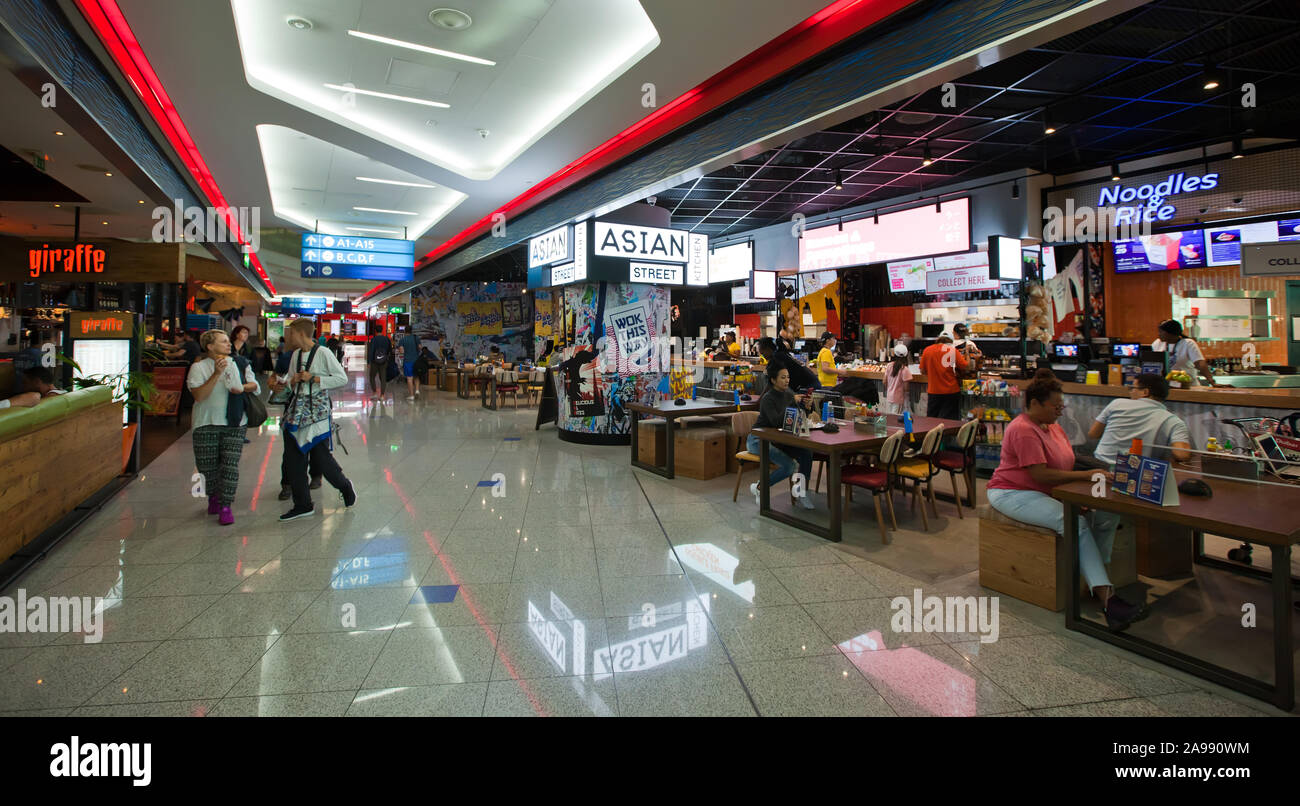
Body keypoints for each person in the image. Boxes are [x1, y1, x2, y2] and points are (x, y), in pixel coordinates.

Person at [986, 370, 1144, 630]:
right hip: (1012, 493)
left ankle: (1092, 580)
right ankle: (1108, 599)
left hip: (1048, 491)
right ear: (1034, 403)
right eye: (1055, 406)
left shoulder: (1053, 426)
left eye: (1062, 405)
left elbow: (1065, 462)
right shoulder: (1024, 430)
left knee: (1106, 514)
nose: (1060, 411)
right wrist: (1086, 476)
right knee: (1073, 523)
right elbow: (1039, 474)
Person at [271, 318, 356, 521]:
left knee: (321, 459)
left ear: (300, 333)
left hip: (316, 413)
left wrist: (315, 378)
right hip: (295, 412)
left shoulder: (323, 353)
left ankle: (344, 485)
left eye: (291, 333)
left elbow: (341, 378)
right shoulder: (295, 355)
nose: (288, 336)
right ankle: (302, 504)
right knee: (294, 460)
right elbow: (292, 380)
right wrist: (291, 381)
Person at [186, 329, 259, 526]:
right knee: (207, 467)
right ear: (209, 346)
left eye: (228, 341)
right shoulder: (198, 368)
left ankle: (226, 505)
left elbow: (255, 385)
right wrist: (217, 374)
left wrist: (242, 387)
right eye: (223, 341)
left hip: (234, 422)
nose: (228, 344)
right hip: (205, 423)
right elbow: (200, 396)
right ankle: (213, 496)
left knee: (230, 466)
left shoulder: (239, 363)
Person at [747, 365, 816, 511]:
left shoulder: (789, 394)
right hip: (758, 439)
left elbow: (794, 417)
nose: (787, 381)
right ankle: (760, 486)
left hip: (780, 438)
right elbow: (775, 422)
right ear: (773, 380)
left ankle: (801, 491)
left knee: (806, 452)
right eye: (783, 378)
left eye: (788, 377)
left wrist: (807, 406)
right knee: (789, 466)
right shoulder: (768, 398)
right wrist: (792, 402)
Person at [1088, 373, 1192, 465]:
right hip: (1139, 473)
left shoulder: (1117, 404)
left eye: (1132, 388)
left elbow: (1093, 434)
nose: (1130, 392)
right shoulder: (1173, 421)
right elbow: (1181, 454)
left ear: (1145, 392)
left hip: (1100, 466)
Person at [1155, 319, 1219, 387]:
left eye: (1161, 332)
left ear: (1170, 333)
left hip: (1188, 386)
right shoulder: (1157, 343)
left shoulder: (1188, 343)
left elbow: (1200, 363)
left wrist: (1211, 381)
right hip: (1167, 386)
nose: (1159, 334)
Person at [919, 335, 968, 420]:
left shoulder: (927, 350)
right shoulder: (952, 350)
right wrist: (967, 354)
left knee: (932, 420)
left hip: (933, 391)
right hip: (951, 390)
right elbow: (965, 367)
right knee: (950, 420)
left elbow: (922, 371)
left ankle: (934, 433)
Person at [883, 343, 913, 415]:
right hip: (898, 398)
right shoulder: (904, 369)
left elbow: (884, 381)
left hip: (889, 396)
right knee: (895, 418)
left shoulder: (889, 365)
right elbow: (906, 388)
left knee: (890, 417)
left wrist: (890, 388)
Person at [366, 331, 393, 402]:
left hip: (375, 361)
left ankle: (374, 393)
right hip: (384, 361)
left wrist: (369, 362)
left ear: (376, 331)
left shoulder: (374, 339)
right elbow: (390, 350)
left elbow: (371, 351)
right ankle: (382, 395)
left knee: (372, 376)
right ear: (382, 331)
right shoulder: (387, 339)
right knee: (383, 377)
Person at [397, 327, 421, 401]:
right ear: (411, 331)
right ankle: (417, 390)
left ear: (405, 331)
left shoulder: (402, 340)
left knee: (409, 378)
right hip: (416, 360)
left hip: (408, 361)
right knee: (416, 376)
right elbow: (420, 347)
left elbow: (401, 351)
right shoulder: (416, 338)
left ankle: (411, 395)